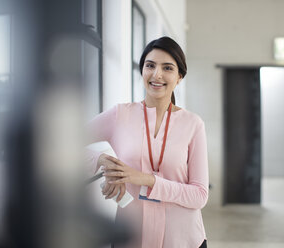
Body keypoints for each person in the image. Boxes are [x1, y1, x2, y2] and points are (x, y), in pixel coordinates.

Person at [86, 36, 208, 248]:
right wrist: (101, 159)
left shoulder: (193, 124)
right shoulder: (120, 115)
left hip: (182, 240)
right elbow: (63, 141)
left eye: (167, 68)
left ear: (179, 77)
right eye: (150, 65)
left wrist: (146, 179)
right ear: (142, 71)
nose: (156, 74)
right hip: (131, 237)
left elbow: (199, 195)